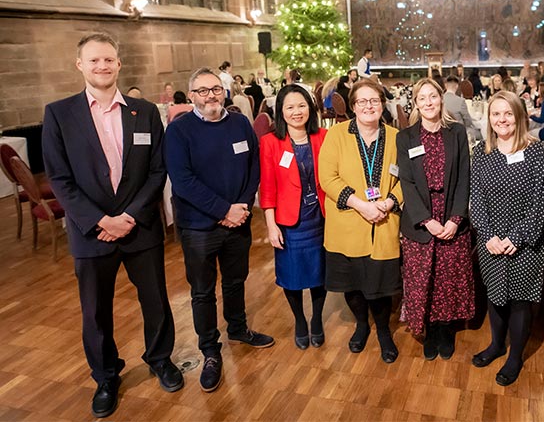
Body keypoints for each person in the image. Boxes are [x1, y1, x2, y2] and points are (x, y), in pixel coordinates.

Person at [41, 33, 182, 418]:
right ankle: (105, 376)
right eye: (94, 61)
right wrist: (101, 220)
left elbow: (157, 170)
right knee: (95, 311)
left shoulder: (144, 111)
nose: (102, 66)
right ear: (80, 65)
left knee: (155, 301)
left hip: (140, 228)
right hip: (92, 232)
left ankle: (160, 358)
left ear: (119, 64)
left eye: (108, 60)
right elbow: (59, 178)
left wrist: (131, 216)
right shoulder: (59, 114)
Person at [164, 67, 274, 393]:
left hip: (237, 222)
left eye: (215, 89)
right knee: (202, 291)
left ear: (223, 91)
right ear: (191, 95)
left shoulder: (239, 123)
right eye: (202, 91)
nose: (210, 95)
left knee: (236, 280)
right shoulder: (179, 130)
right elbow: (182, 181)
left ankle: (238, 329)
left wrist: (239, 208)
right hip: (199, 227)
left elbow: (253, 167)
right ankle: (210, 350)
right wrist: (223, 210)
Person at [469, 90, 544, 387]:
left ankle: (515, 356)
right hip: (490, 240)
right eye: (496, 114)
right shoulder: (481, 152)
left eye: (508, 113)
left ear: (519, 116)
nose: (501, 119)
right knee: (495, 294)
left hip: (525, 242)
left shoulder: (538, 153)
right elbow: (475, 197)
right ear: (489, 118)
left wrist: (516, 237)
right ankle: (496, 345)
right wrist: (488, 234)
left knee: (520, 301)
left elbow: (543, 203)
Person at [318, 79, 403, 364]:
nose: (369, 106)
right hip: (347, 222)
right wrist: (361, 205)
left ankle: (383, 331)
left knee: (379, 286)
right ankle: (362, 325)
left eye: (374, 101)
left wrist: (389, 202)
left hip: (383, 221)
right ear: (353, 106)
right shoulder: (337, 135)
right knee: (352, 285)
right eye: (362, 101)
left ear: (382, 104)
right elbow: (327, 177)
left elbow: (407, 178)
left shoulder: (395, 137)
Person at [397, 78, 474, 360]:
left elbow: (465, 177)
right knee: (422, 280)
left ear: (441, 99)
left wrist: (455, 219)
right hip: (421, 219)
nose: (429, 102)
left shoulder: (456, 132)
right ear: (415, 103)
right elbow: (407, 182)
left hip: (451, 213)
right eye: (422, 98)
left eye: (433, 96)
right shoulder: (405, 137)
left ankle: (445, 329)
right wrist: (427, 220)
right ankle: (427, 328)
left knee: (448, 279)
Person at [259, 84, 328, 350]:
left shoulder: (324, 137)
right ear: (281, 111)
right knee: (292, 275)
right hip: (289, 221)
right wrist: (270, 224)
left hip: (320, 217)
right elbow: (267, 186)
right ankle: (300, 319)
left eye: (302, 105)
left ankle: (318, 319)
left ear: (310, 108)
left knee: (319, 273)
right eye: (290, 107)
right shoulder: (270, 142)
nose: (297, 112)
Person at [443, 75, 481, 141]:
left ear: (445, 86)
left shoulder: (440, 100)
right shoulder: (461, 101)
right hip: (459, 133)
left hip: (444, 132)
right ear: (457, 86)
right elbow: (468, 121)